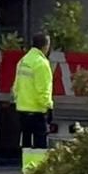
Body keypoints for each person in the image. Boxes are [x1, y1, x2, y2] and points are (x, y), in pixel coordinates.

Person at [13, 32, 55, 162]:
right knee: (39, 145)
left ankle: (27, 170)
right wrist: (48, 107)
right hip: (37, 110)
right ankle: (37, 171)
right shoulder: (41, 63)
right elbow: (43, 90)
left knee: (26, 143)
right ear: (45, 46)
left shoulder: (24, 61)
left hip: (22, 109)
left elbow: (16, 86)